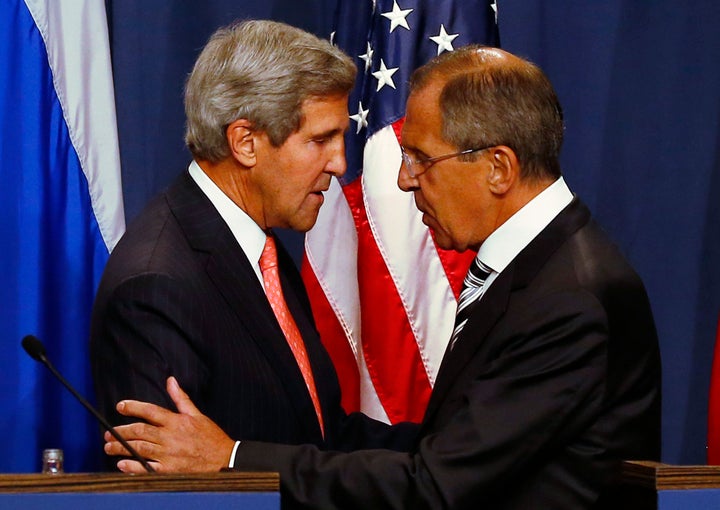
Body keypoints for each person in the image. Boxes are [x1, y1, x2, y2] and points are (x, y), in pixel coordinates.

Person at [104, 45, 662, 509]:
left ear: (498, 168)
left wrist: (232, 458)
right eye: (320, 139)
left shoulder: (568, 297)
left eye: (422, 158)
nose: (401, 179)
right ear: (246, 141)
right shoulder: (166, 278)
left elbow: (438, 482)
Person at [90, 19, 416, 461]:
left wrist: (453, 454)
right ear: (245, 142)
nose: (340, 163)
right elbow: (170, 486)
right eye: (320, 140)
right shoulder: (155, 286)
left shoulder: (258, 248)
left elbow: (319, 436)